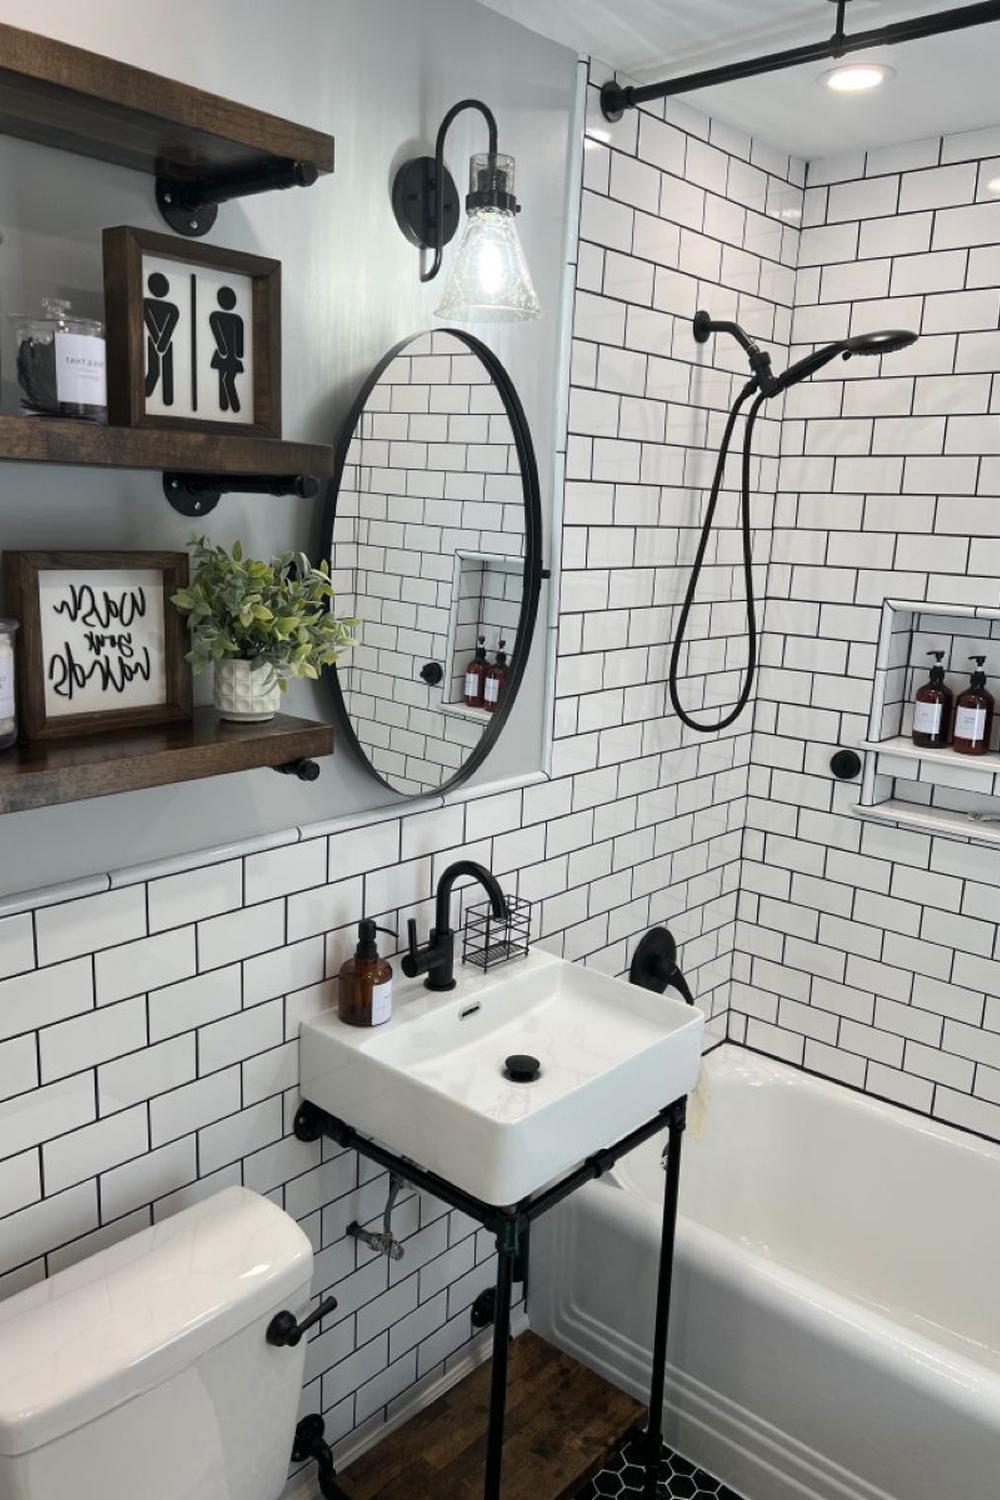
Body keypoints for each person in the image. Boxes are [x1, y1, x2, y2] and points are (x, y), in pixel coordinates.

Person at [143, 271, 178, 405]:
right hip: (156, 341)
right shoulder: (147, 303)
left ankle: (167, 399)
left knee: (167, 373)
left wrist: (161, 340)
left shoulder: (171, 307)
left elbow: (172, 322)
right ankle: (147, 393)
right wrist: (159, 339)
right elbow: (149, 320)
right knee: (154, 370)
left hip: (163, 342)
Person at [209, 285, 244, 413]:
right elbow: (239, 344)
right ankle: (227, 405)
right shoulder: (235, 319)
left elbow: (238, 340)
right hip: (227, 355)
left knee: (226, 379)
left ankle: (230, 405)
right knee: (226, 379)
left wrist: (225, 351)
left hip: (225, 355)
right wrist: (232, 352)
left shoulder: (216, 316)